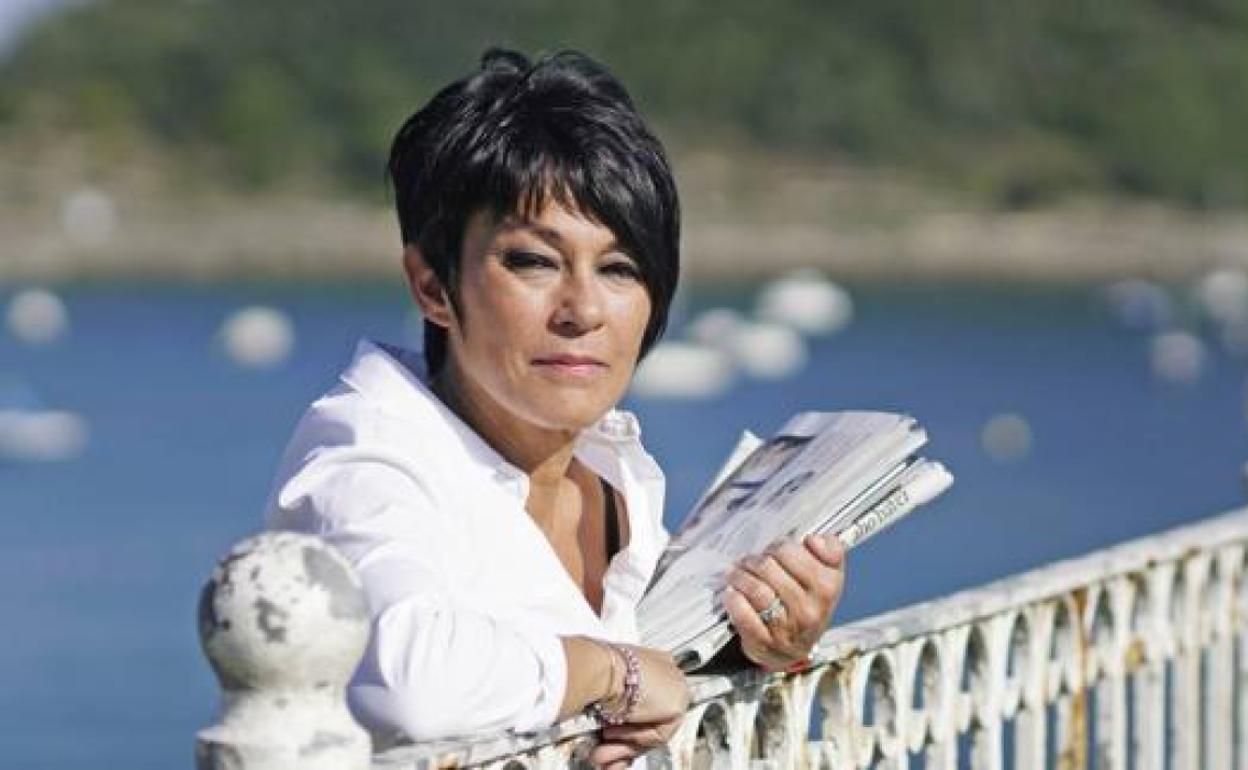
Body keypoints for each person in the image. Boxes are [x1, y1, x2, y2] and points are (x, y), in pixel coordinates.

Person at [264, 48, 847, 768]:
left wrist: (765, 641)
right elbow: (410, 681)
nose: (583, 310)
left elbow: (660, 684)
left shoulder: (612, 469)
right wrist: (614, 673)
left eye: (620, 269)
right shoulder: (366, 456)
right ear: (432, 285)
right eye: (534, 262)